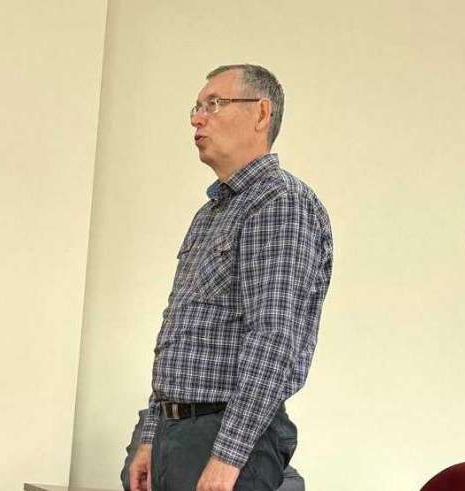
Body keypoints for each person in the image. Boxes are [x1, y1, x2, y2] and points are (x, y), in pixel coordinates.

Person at [128, 65, 333, 491]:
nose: (197, 118)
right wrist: (151, 434)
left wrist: (227, 458)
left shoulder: (279, 202)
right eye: (196, 107)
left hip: (223, 438)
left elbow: (273, 339)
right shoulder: (210, 214)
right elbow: (179, 334)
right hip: (176, 433)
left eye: (214, 104)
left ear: (261, 113)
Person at [121, 409, 305, 491]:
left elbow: (270, 360)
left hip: (225, 426)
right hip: (169, 425)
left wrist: (228, 458)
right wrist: (148, 441)